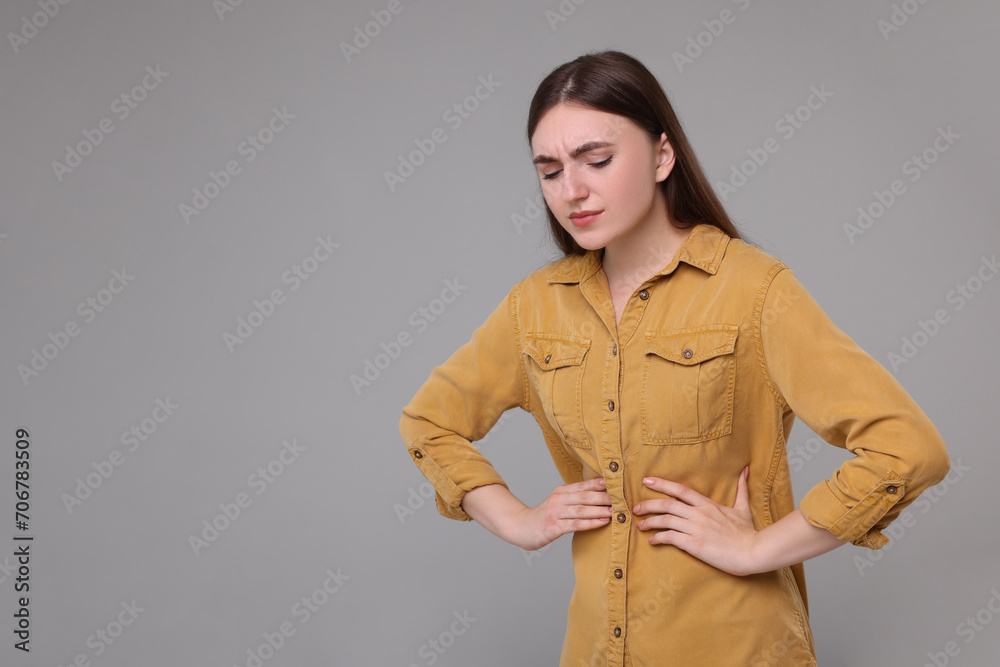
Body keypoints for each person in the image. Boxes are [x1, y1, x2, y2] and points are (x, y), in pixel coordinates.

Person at [398, 50, 950, 666]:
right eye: (549, 171)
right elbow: (429, 421)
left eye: (597, 160)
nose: (572, 190)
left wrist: (760, 549)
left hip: (736, 646)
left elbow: (909, 449)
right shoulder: (537, 306)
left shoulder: (752, 289)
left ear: (663, 156)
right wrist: (519, 523)